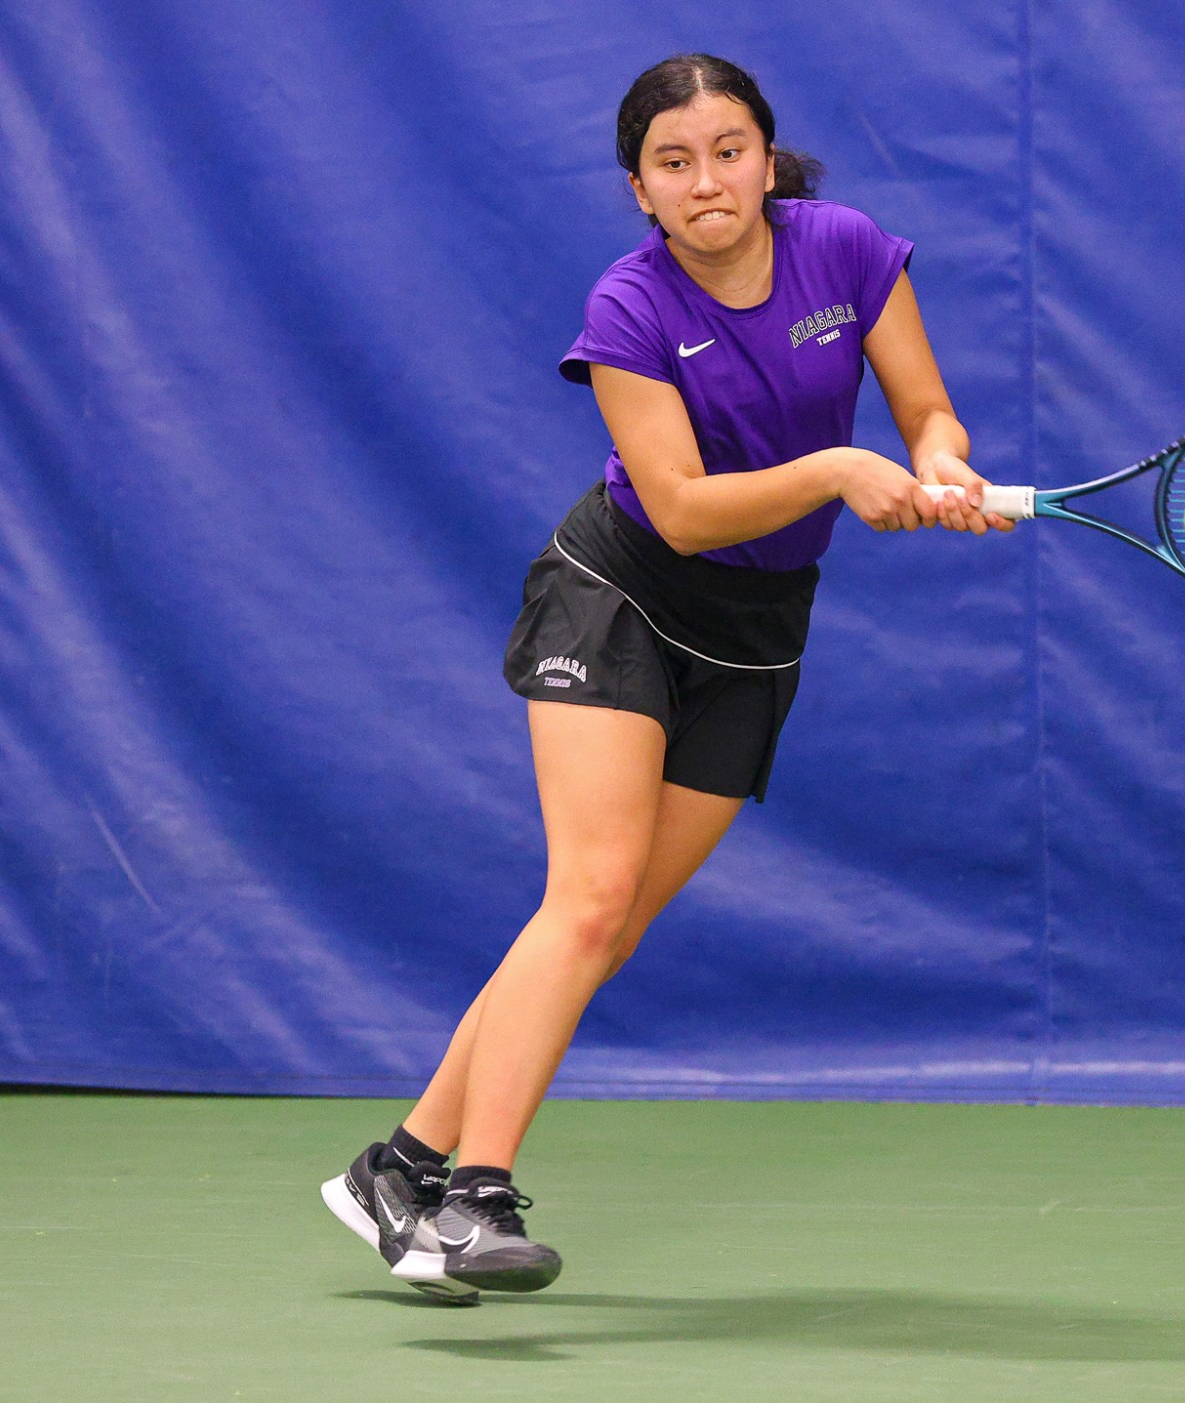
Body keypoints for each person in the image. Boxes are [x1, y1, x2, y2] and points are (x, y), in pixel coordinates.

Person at [321, 52, 1009, 1304]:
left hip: (757, 629)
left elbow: (926, 408)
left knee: (607, 924)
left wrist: (939, 462)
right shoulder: (631, 306)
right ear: (638, 188)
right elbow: (685, 508)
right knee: (584, 896)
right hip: (622, 593)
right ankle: (474, 1197)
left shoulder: (847, 249)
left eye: (730, 150)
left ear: (766, 154)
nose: (709, 182)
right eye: (674, 163)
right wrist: (837, 473)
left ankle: (399, 1163)